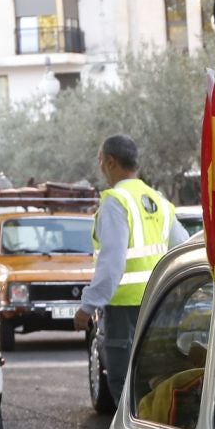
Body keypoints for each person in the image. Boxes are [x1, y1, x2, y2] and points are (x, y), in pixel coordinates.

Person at [77, 134, 185, 406]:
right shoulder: (158, 200)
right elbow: (183, 247)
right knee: (154, 380)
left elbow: (112, 261)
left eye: (100, 160)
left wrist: (88, 305)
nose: (100, 166)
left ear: (111, 162)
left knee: (124, 383)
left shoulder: (116, 201)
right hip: (158, 305)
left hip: (124, 309)